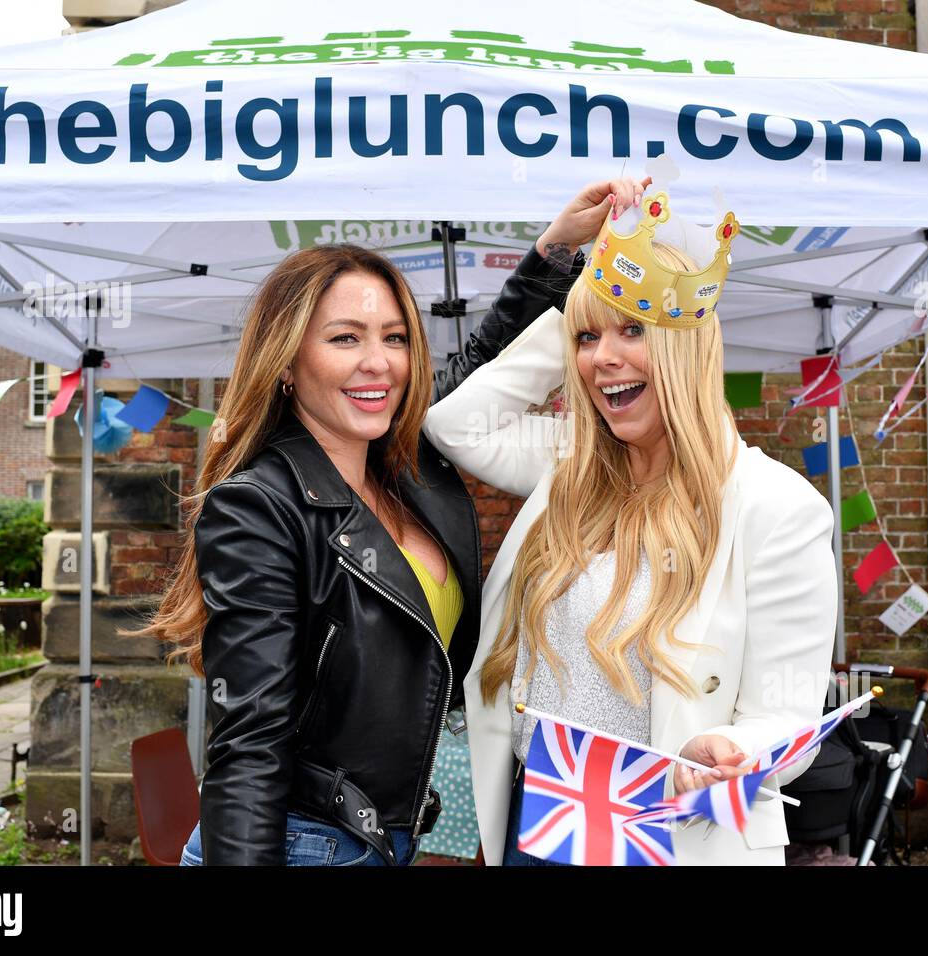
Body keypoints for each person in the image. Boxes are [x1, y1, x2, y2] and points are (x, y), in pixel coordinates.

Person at [121, 177, 650, 865]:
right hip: (300, 846)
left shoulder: (408, 466)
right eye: (345, 338)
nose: (379, 364)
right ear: (287, 361)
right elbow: (250, 741)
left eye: (395, 338)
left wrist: (554, 253)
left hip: (385, 840)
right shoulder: (258, 505)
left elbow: (483, 360)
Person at [422, 188, 839, 865]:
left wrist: (730, 751)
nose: (600, 359)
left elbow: (788, 717)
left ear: (686, 346)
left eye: (634, 330)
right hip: (540, 823)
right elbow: (453, 423)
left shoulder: (775, 507)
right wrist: (568, 286)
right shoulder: (572, 466)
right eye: (588, 339)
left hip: (670, 833)